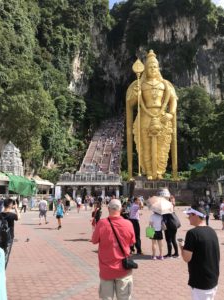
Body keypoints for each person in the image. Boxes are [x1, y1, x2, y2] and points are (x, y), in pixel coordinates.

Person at [126, 50, 178, 180]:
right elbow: (131, 103)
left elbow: (173, 101)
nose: (152, 69)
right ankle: (148, 171)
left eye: (155, 66)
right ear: (145, 69)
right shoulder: (140, 84)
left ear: (158, 68)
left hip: (161, 116)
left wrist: (170, 114)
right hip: (145, 116)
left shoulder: (165, 84)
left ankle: (159, 171)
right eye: (150, 67)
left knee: (162, 145)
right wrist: (136, 95)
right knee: (145, 145)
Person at [91, 199, 135, 300]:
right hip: (124, 268)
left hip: (106, 269)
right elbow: (132, 242)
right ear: (121, 209)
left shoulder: (102, 223)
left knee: (106, 298)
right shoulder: (128, 224)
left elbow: (94, 240)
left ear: (108, 208)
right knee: (124, 297)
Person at [179, 206, 220, 300]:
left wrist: (182, 246)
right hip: (212, 279)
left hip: (200, 282)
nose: (188, 217)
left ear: (196, 215)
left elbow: (186, 258)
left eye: (189, 215)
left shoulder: (192, 233)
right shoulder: (211, 230)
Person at [0, 199, 20, 266]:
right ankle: (2, 271)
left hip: (0, 237)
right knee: (6, 254)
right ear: (11, 205)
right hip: (9, 237)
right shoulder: (12, 215)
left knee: (0, 253)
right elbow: (19, 217)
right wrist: (16, 208)